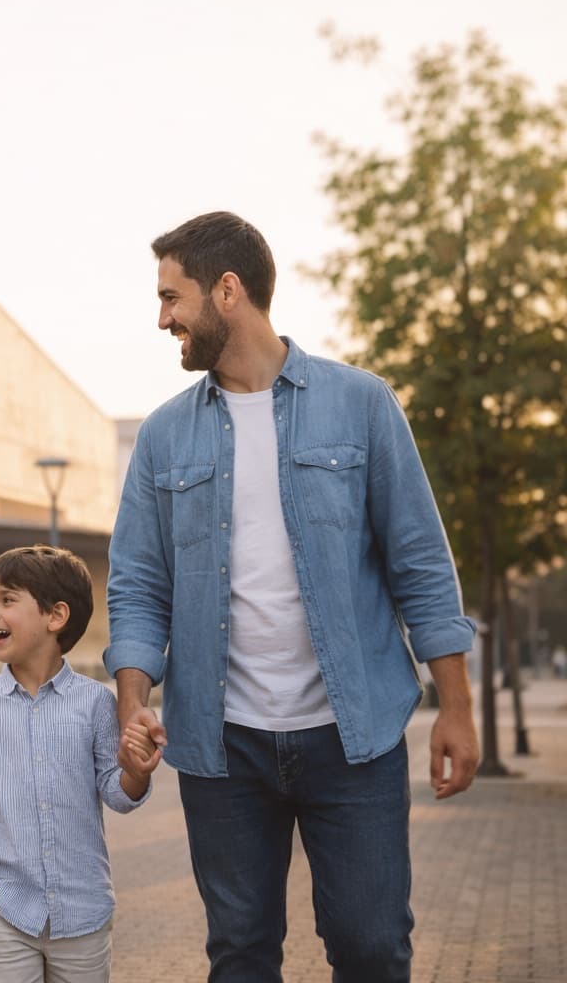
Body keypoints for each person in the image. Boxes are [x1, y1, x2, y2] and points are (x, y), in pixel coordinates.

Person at [107, 211, 480, 981]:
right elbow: (138, 585)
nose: (163, 318)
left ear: (228, 291)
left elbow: (420, 562)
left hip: (354, 739)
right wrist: (132, 699)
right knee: (240, 954)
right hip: (223, 744)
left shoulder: (361, 404)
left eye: (173, 297)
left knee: (372, 947)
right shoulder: (163, 437)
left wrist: (458, 707)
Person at [0, 546, 158, 982]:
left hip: (84, 914)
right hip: (4, 911)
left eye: (6, 600)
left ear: (55, 616)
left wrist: (136, 771)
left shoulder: (97, 703)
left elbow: (116, 792)